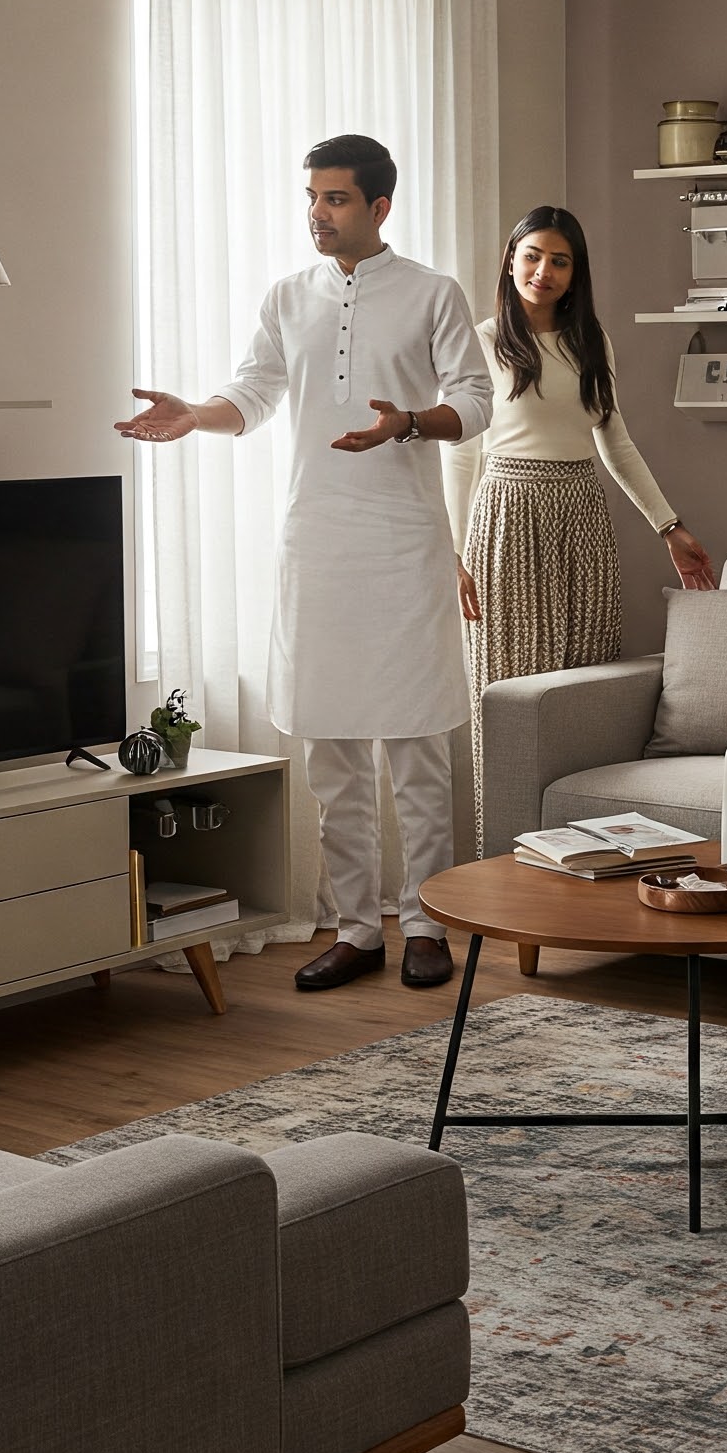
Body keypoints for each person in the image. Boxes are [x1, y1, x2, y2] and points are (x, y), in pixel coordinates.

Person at [116, 134, 492, 993]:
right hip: (315, 546)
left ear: (380, 207)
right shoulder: (289, 296)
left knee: (417, 754)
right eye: (313, 198)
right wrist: (193, 414)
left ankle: (425, 924)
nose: (317, 214)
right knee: (333, 757)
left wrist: (407, 424)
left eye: (335, 199)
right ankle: (359, 930)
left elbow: (474, 401)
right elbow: (251, 396)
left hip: (404, 545)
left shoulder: (433, 293)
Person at [461, 207, 713, 896]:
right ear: (511, 259)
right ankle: (509, 876)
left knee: (584, 689)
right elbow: (457, 459)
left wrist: (670, 527)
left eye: (561, 261)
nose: (544, 272)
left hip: (581, 513)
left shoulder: (589, 339)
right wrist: (451, 554)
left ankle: (586, 870)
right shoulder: (478, 342)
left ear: (577, 275)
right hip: (506, 515)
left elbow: (615, 442)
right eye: (533, 256)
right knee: (508, 690)